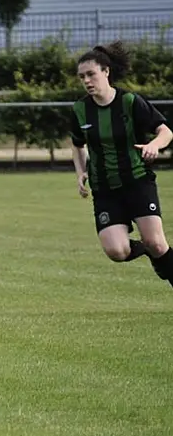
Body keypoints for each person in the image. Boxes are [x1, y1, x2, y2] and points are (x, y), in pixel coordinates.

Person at [71, 41, 173, 287]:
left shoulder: (130, 102)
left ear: (106, 72)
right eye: (81, 76)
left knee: (157, 243)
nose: (86, 81)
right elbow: (77, 144)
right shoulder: (80, 109)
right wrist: (81, 172)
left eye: (91, 74)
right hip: (105, 188)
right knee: (117, 251)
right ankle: (148, 251)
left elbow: (166, 131)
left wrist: (154, 145)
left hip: (137, 181)